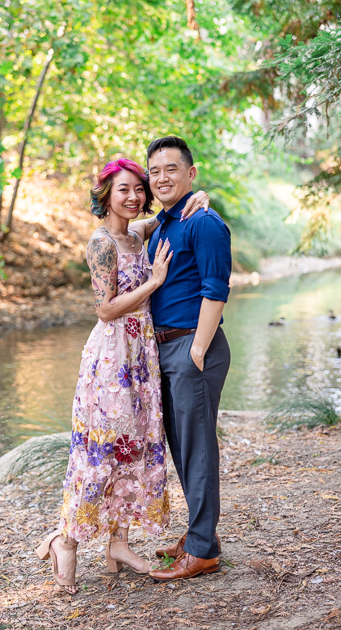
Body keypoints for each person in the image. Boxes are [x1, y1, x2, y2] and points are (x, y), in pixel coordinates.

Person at [35, 158, 209, 594]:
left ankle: (117, 544)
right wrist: (155, 282)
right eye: (122, 191)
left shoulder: (137, 232)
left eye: (138, 189)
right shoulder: (100, 244)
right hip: (112, 357)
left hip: (141, 354)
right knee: (100, 451)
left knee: (135, 447)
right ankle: (65, 540)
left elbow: (170, 212)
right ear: (105, 195)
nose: (133, 197)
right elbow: (105, 309)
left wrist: (202, 198)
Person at [146, 136, 232, 582]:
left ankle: (202, 551)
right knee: (182, 447)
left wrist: (197, 348)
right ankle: (203, 537)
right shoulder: (163, 225)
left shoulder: (205, 222)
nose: (162, 177)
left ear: (190, 173)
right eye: (155, 170)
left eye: (171, 169)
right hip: (166, 349)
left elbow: (216, 287)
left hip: (192, 348)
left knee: (198, 450)